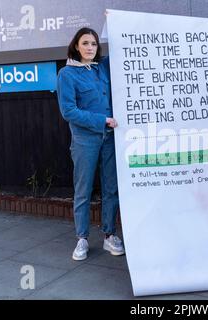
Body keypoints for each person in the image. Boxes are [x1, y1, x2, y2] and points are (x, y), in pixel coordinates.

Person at [57, 27, 125, 260]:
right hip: (85, 140)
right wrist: (101, 120)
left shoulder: (103, 67)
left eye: (94, 44)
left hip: (110, 139)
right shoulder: (67, 74)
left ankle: (109, 236)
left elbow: (127, 48)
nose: (89, 48)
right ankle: (82, 239)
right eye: (85, 43)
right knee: (83, 190)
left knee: (111, 189)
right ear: (76, 46)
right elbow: (69, 111)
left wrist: (115, 22)